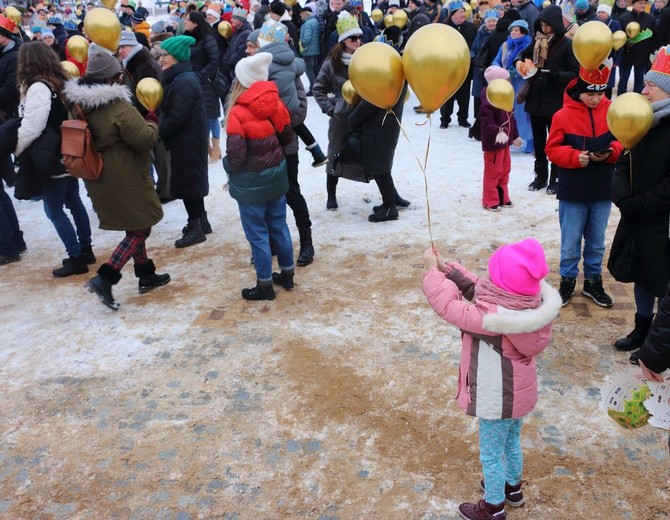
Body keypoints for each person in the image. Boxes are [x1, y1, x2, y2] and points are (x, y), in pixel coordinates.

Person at [421, 239, 561, 520]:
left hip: (497, 399)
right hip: (516, 398)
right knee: (511, 443)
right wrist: (448, 268)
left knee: (492, 453)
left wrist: (431, 273)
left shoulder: (492, 322)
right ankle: (513, 489)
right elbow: (479, 291)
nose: (487, 278)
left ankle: (493, 507)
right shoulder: (526, 307)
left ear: (502, 286)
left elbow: (448, 305)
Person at [63, 52, 170, 310]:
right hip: (124, 174)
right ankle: (106, 277)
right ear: (113, 78)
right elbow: (144, 139)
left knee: (134, 223)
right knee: (141, 226)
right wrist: (152, 122)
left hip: (98, 173)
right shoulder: (117, 106)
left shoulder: (77, 104)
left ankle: (145, 273)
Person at [608, 45, 670, 365]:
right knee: (642, 274)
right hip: (638, 215)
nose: (642, 89)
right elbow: (622, 161)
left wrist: (639, 204)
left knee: (662, 279)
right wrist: (623, 198)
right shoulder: (642, 120)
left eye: (650, 85)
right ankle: (641, 330)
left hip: (662, 221)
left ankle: (658, 341)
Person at [545, 61, 624, 308]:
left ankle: (592, 281)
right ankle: (567, 280)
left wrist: (611, 151)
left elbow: (623, 140)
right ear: (580, 91)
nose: (596, 99)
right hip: (573, 190)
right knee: (570, 241)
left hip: (602, 188)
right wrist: (572, 157)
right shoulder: (562, 115)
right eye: (591, 93)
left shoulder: (613, 111)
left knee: (597, 241)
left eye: (600, 93)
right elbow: (552, 148)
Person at [14, 41, 95, 277]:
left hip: (51, 155)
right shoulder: (60, 81)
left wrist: (17, 149)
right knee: (74, 202)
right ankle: (85, 249)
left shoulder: (39, 87)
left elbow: (32, 126)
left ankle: (76, 256)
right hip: (69, 149)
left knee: (54, 209)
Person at [223, 52, 296, 301]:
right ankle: (287, 274)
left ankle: (264, 285)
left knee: (257, 233)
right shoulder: (275, 103)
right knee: (279, 225)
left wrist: (226, 166)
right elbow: (287, 138)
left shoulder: (238, 112)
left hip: (251, 184)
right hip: (276, 176)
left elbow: (236, 157)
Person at [258, 20, 316, 266]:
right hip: (264, 142)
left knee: (291, 193)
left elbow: (301, 110)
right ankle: (272, 243)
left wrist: (278, 120)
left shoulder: (292, 73)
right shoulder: (258, 70)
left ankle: (306, 242)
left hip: (285, 142)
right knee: (266, 196)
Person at [514, 4, 579, 194]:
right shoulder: (536, 40)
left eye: (547, 25)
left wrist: (556, 75)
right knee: (539, 142)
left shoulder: (566, 45)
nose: (544, 28)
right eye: (541, 25)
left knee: (556, 142)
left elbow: (575, 73)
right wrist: (519, 62)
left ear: (556, 25)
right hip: (536, 100)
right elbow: (521, 54)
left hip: (556, 102)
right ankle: (539, 176)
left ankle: (555, 178)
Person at [158, 35, 211, 248]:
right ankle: (201, 221)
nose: (161, 59)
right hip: (187, 139)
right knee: (192, 181)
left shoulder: (185, 80)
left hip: (187, 140)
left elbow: (177, 117)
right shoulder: (179, 78)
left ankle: (196, 227)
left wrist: (158, 130)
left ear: (177, 57)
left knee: (190, 184)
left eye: (165, 55)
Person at [348, 39, 409, 223]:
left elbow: (369, 104)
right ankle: (392, 199)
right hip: (387, 127)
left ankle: (390, 207)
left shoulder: (384, 80)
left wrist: (353, 119)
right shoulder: (396, 74)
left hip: (378, 130)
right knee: (383, 165)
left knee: (379, 168)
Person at [478, 66, 520, 212]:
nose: (509, 82)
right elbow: (486, 121)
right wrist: (497, 131)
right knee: (493, 171)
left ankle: (502, 197)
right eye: (506, 80)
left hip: (505, 142)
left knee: (504, 169)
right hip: (494, 143)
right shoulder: (488, 99)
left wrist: (515, 135)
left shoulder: (505, 96)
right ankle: (490, 199)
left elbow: (510, 117)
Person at [184, 11, 222, 164]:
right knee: (201, 116)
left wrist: (200, 75)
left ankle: (217, 148)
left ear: (196, 23)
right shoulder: (187, 37)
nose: (185, 22)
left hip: (207, 82)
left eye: (188, 20)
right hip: (194, 81)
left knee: (212, 116)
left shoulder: (208, 38)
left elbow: (214, 60)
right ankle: (207, 148)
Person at [492, 19, 533, 153]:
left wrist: (519, 70)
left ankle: (529, 142)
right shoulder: (505, 45)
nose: (513, 32)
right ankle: (508, 138)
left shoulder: (529, 46)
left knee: (523, 113)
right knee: (506, 112)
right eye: (512, 30)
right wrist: (499, 70)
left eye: (516, 30)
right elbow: (496, 60)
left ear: (523, 32)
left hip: (522, 83)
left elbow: (532, 64)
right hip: (506, 83)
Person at [441, 1, 477, 129]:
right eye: (460, 12)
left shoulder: (471, 27)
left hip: (465, 67)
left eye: (464, 12)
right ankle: (444, 119)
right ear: (452, 15)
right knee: (447, 94)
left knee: (464, 95)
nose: (463, 14)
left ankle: (463, 118)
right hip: (448, 68)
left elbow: (475, 46)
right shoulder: (444, 28)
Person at [618, 0, 656, 95]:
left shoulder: (650, 19)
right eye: (640, 3)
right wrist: (625, 45)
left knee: (639, 81)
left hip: (642, 56)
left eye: (644, 3)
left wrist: (649, 51)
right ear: (633, 4)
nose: (643, 5)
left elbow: (654, 37)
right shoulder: (623, 18)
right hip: (626, 55)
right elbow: (619, 36)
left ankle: (638, 103)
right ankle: (620, 101)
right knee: (623, 80)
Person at [299, 5, 320, 95]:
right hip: (315, 50)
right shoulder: (314, 21)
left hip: (308, 51)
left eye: (302, 13)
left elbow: (307, 37)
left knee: (309, 70)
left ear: (306, 13)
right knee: (315, 70)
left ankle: (313, 88)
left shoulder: (307, 23)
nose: (300, 15)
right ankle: (317, 87)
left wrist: (302, 44)